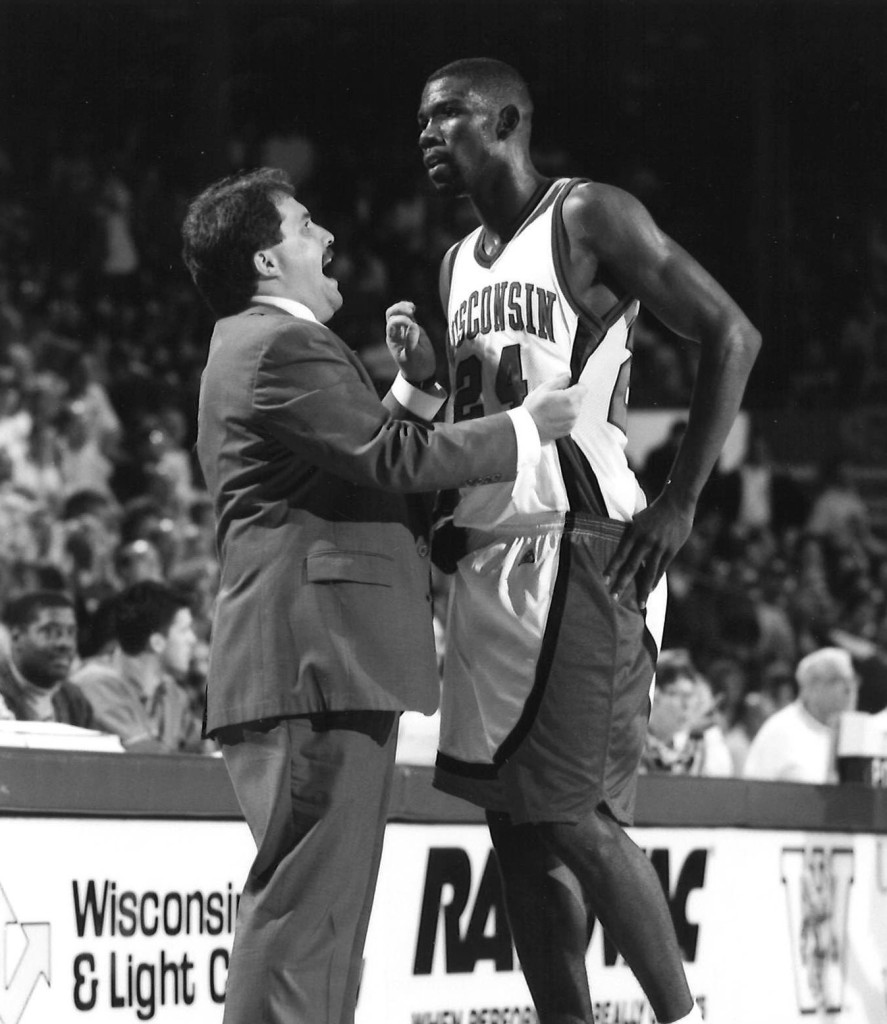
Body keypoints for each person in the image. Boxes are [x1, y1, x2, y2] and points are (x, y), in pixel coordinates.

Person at [180, 166, 583, 1024]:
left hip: (311, 657)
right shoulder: (279, 344)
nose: (326, 239)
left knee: (318, 915)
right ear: (263, 260)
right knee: (303, 914)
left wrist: (417, 391)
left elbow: (348, 461)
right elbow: (387, 463)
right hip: (315, 658)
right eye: (305, 225)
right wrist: (522, 427)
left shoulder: (257, 345)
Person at [417, 57, 761, 1024]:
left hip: (587, 540)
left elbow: (732, 334)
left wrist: (680, 499)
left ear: (508, 120)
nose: (428, 137)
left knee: (571, 811)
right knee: (517, 830)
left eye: (447, 117)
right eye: (420, 124)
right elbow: (482, 417)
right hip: (488, 555)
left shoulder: (585, 216)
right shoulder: (452, 264)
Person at [70, 580, 203, 752]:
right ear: (157, 642)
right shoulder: (96, 683)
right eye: (184, 630)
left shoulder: (172, 694)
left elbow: (207, 747)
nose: (192, 640)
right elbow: (149, 759)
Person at [743, 647, 857, 784]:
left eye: (850, 680)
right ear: (812, 686)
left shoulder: (850, 733)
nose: (848, 689)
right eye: (836, 680)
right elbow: (754, 788)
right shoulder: (780, 729)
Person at [0, 589, 94, 727]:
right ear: (16, 637)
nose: (65, 643)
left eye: (70, 632)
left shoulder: (75, 699)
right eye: (50, 632)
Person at [641, 650, 732, 776]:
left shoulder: (679, 741)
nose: (687, 706)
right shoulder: (636, 739)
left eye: (691, 697)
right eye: (682, 696)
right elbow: (666, 773)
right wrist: (694, 736)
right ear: (656, 695)